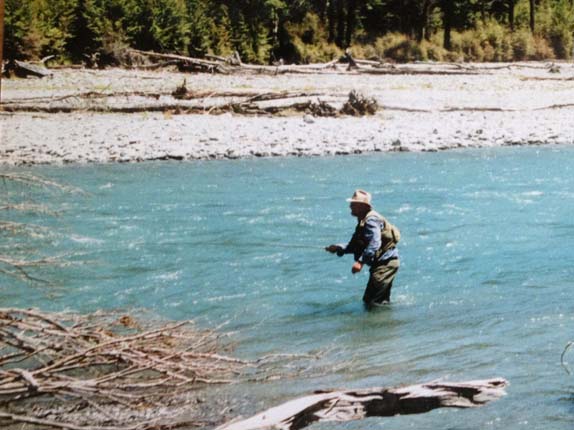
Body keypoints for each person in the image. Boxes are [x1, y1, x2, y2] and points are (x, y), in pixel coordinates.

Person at [326, 189, 400, 308]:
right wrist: (338, 248)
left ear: (362, 206)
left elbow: (375, 243)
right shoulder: (363, 220)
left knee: (371, 302)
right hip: (384, 263)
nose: (350, 206)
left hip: (385, 264)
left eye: (353, 204)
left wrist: (360, 262)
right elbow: (355, 245)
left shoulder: (371, 220)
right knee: (378, 302)